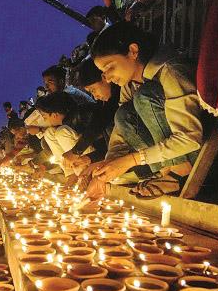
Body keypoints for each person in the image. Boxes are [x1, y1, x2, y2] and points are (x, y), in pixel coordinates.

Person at [85, 21, 203, 199]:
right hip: (171, 152)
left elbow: (189, 137)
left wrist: (131, 160)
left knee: (145, 97)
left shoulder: (170, 70)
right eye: (103, 73)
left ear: (133, 51)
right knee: (123, 114)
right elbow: (121, 129)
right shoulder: (129, 84)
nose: (107, 79)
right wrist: (109, 165)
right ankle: (164, 171)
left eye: (109, 67)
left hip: (195, 147)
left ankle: (178, 171)